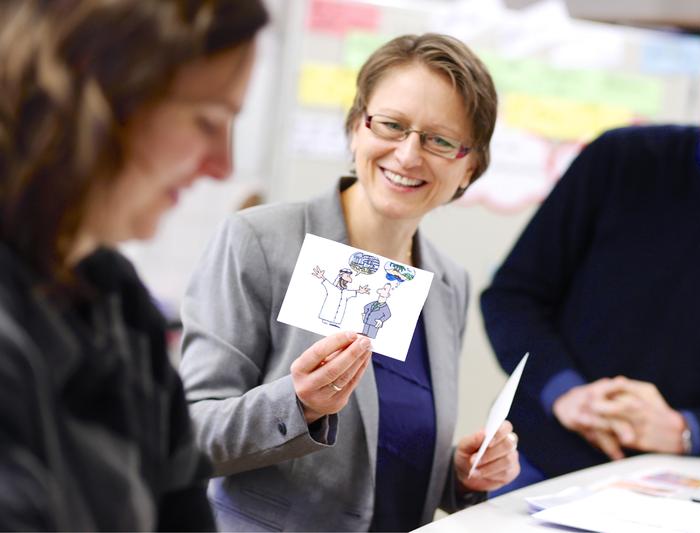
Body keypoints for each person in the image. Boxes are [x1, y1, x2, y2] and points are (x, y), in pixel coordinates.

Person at [179, 33, 520, 531]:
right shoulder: (260, 241)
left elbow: (386, 450)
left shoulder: (447, 282)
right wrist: (299, 405)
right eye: (391, 125)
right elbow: (189, 435)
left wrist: (460, 476)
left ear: (469, 167)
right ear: (356, 126)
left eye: (440, 140)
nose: (407, 155)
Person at [481, 0, 700, 489]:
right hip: (539, 464)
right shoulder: (618, 160)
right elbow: (511, 297)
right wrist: (567, 394)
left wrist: (682, 431)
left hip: (683, 487)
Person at [0, 0, 267, 529]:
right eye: (207, 121)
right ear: (96, 98)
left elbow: (180, 507)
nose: (222, 166)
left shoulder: (115, 300)